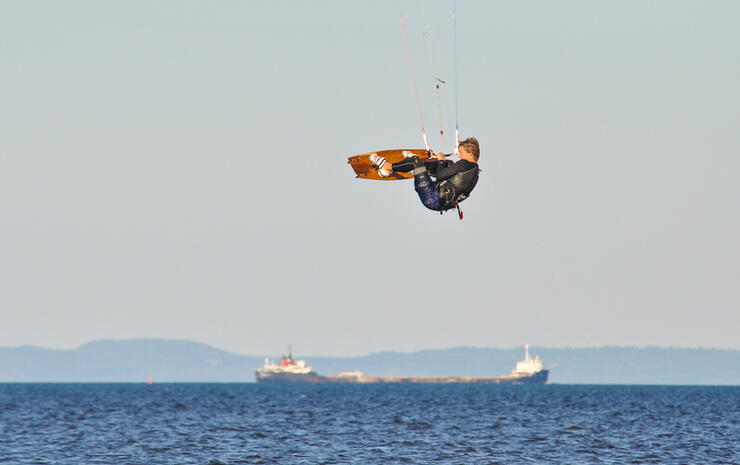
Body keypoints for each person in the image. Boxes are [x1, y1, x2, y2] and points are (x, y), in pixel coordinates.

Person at [370, 137, 480, 212]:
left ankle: (387, 168)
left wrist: (441, 161)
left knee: (415, 162)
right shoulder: (475, 171)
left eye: (461, 153)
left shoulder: (465, 164)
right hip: (440, 203)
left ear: (470, 154)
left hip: (432, 196)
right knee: (449, 163)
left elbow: (440, 175)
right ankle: (417, 167)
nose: (459, 156)